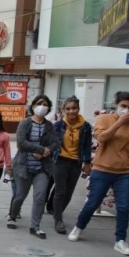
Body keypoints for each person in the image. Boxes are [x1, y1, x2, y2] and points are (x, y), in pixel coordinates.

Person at [69, 91, 129, 255]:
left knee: (124, 207)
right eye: (123, 106)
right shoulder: (105, 119)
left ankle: (120, 240)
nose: (126, 110)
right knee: (93, 202)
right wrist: (119, 123)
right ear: (116, 104)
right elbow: (101, 138)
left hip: (124, 171)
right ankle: (79, 226)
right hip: (103, 169)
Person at [7, 95, 58, 239]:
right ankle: (12, 215)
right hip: (24, 166)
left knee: (40, 196)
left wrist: (46, 151)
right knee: (20, 195)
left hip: (42, 168)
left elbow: (55, 143)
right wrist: (40, 149)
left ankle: (35, 226)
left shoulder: (50, 126)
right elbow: (21, 143)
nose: (42, 106)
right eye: (39, 103)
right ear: (33, 106)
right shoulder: (25, 123)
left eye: (46, 104)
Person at [50, 96, 92, 234]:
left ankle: (57, 211)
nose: (71, 111)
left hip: (76, 162)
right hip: (60, 161)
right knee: (60, 190)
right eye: (68, 109)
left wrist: (87, 162)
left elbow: (86, 145)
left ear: (78, 109)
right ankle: (58, 220)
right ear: (63, 110)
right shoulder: (58, 125)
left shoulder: (85, 126)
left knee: (69, 192)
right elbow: (53, 143)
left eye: (74, 108)